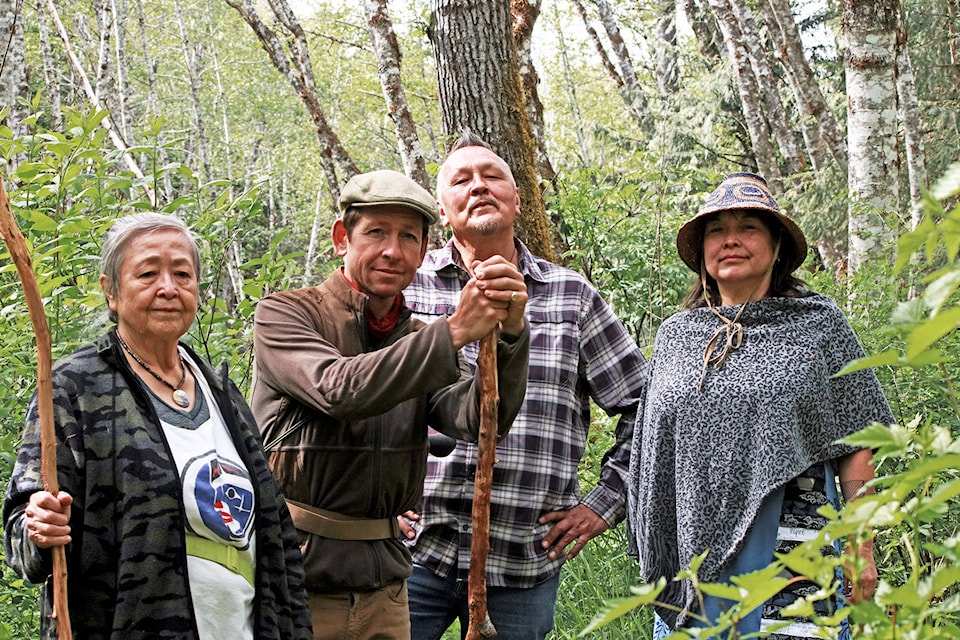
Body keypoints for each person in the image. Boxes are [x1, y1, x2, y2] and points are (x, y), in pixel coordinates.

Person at [249, 169, 530, 640]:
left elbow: (481, 421)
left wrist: (512, 335)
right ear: (343, 238)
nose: (392, 251)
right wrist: (456, 330)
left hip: (387, 587)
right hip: (297, 582)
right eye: (376, 232)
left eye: (408, 238)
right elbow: (338, 389)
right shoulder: (286, 313)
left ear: (423, 252)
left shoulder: (418, 338)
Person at [3, 213, 312, 640]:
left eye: (182, 274)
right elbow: (22, 534)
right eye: (148, 273)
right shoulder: (75, 389)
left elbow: (271, 534)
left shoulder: (221, 392)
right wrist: (38, 527)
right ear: (110, 291)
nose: (168, 287)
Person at [399, 131, 647, 640]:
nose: (479, 187)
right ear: (442, 211)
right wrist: (371, 501)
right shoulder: (406, 286)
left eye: (493, 177)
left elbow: (644, 406)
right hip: (412, 552)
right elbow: (353, 395)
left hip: (523, 559)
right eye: (461, 180)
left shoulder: (570, 295)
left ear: (516, 200)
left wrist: (605, 503)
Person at [629, 172, 894, 639]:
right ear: (703, 252)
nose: (731, 240)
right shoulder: (675, 337)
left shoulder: (818, 326)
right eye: (716, 230)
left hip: (794, 550)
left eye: (748, 226)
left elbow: (860, 436)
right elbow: (653, 456)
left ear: (776, 246)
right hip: (692, 555)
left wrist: (862, 546)